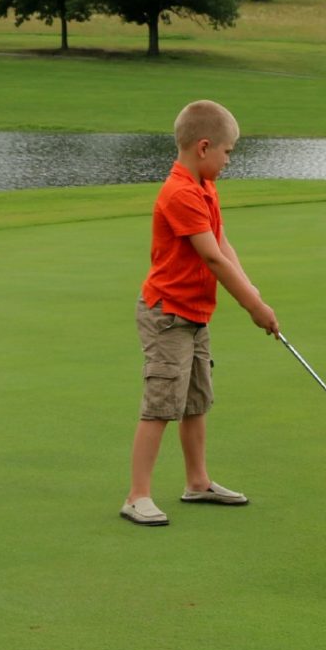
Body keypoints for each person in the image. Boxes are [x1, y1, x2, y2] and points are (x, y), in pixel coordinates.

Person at [122, 100, 280, 526]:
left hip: (195, 314)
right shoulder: (180, 193)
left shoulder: (206, 187)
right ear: (205, 147)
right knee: (161, 403)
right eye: (228, 152)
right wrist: (253, 307)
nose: (229, 160)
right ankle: (137, 495)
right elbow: (210, 258)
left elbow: (223, 244)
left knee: (195, 400)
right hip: (168, 315)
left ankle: (198, 482)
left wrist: (252, 289)